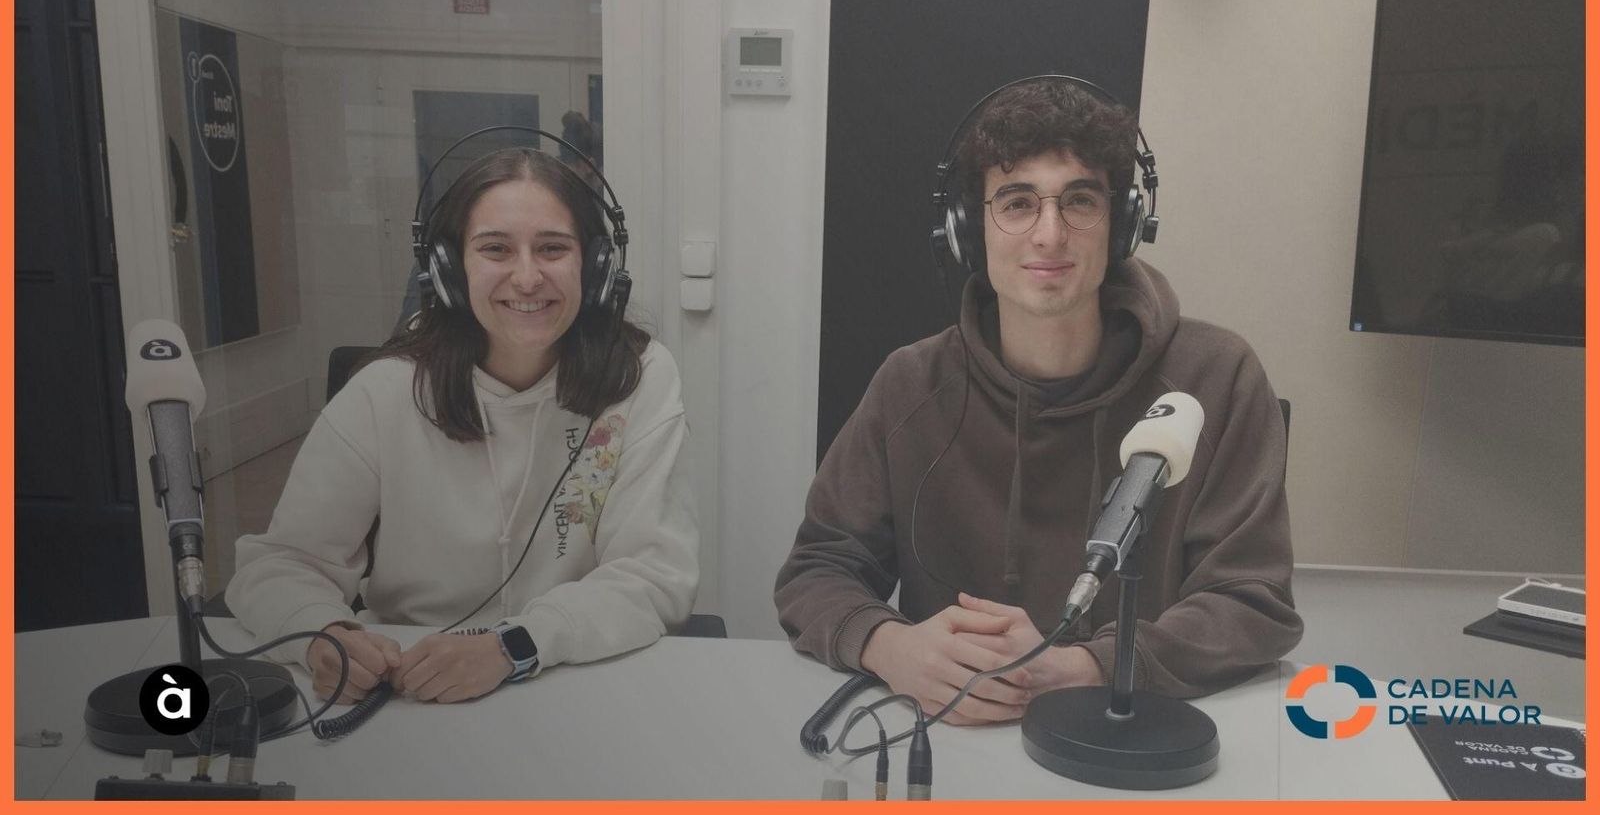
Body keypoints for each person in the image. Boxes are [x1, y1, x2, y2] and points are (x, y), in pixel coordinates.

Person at [774, 77, 1301, 724]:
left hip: (1133, 736)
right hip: (947, 741)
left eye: (1079, 201)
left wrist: (1082, 667)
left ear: (1122, 224)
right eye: (1018, 203)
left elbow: (1251, 602)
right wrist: (891, 647)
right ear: (969, 229)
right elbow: (818, 568)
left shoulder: (1216, 378)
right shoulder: (909, 384)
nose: (1049, 236)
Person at [228, 147, 698, 704]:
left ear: (594, 267)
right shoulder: (387, 390)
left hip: (575, 676)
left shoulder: (638, 378)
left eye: (552, 248)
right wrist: (323, 636)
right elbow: (281, 563)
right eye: (496, 249)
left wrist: (514, 646)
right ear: (450, 269)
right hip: (409, 684)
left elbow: (654, 573)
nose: (527, 277)